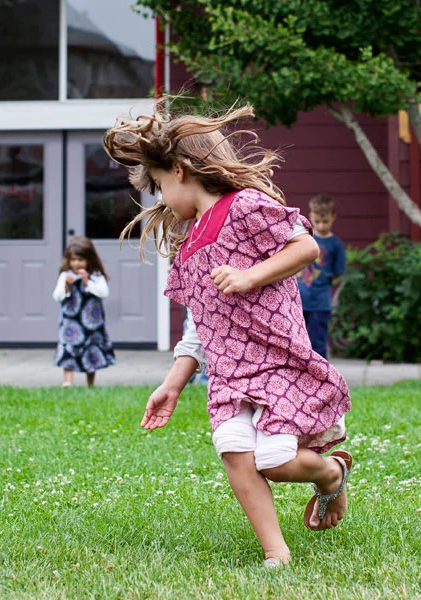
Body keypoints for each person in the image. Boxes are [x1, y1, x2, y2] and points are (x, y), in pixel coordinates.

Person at [103, 104, 352, 568]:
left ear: (179, 170)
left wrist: (251, 275)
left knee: (276, 460)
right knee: (235, 452)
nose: (159, 197)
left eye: (158, 184)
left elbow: (305, 246)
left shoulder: (244, 207)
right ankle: (276, 552)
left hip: (276, 362)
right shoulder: (189, 241)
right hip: (228, 376)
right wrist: (173, 383)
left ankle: (331, 473)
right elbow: (202, 321)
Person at [52, 236, 116, 387]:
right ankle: (67, 381)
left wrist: (88, 282)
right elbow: (57, 296)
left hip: (91, 322)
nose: (76, 263)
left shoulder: (96, 275)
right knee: (68, 346)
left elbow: (103, 293)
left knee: (91, 348)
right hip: (70, 320)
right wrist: (66, 287)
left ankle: (90, 383)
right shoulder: (65, 276)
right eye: (73, 260)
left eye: (80, 260)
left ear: (89, 259)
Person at [297, 195, 346, 357]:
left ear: (333, 217)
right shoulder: (303, 239)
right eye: (317, 221)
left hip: (320, 303)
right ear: (310, 215)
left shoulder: (336, 245)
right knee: (298, 342)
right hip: (298, 301)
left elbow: (338, 272)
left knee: (318, 344)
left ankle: (321, 378)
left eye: (325, 221)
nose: (321, 225)